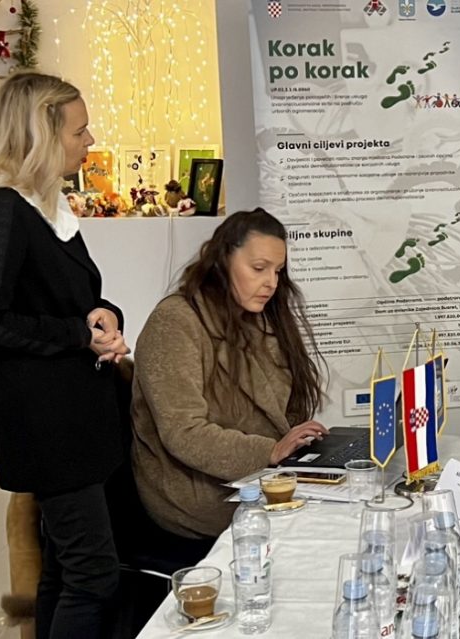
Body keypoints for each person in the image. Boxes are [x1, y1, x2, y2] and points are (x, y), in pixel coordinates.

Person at [0, 72, 130, 639]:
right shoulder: (2, 209)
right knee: (93, 577)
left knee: (62, 571)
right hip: (47, 427)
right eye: (79, 132)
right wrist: (79, 334)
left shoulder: (46, 206)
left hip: (77, 418)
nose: (90, 141)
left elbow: (75, 298)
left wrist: (105, 317)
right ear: (40, 134)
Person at [131, 208, 329, 540]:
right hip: (197, 500)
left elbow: (286, 408)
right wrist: (269, 451)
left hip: (262, 481)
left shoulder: (260, 317)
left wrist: (297, 444)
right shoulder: (174, 322)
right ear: (222, 259)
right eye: (259, 268)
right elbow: (183, 432)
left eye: (278, 271)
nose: (271, 283)